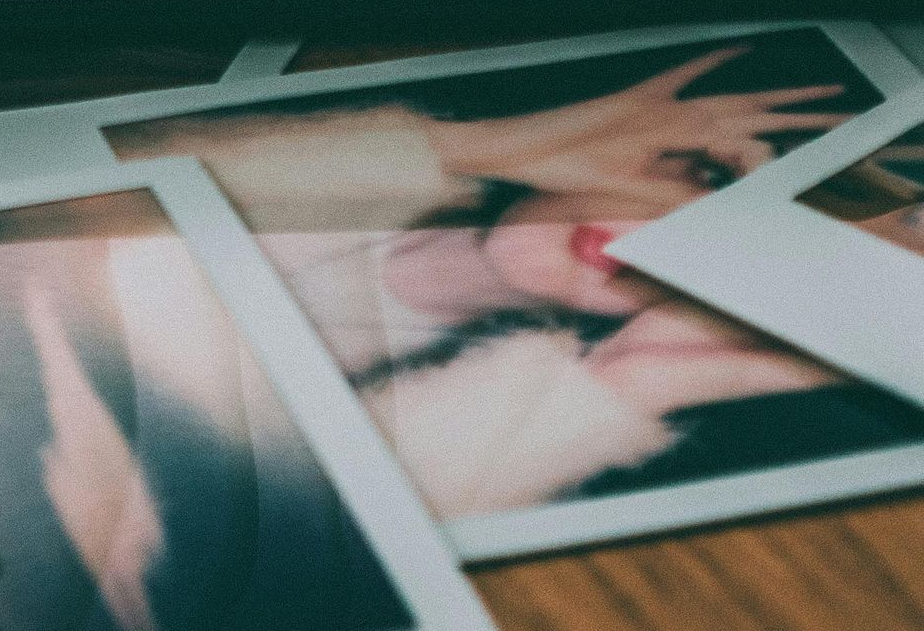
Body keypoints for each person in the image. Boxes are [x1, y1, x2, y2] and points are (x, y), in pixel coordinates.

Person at [113, 44, 858, 520]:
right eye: (707, 174)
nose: (672, 232)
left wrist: (629, 385)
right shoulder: (310, 165)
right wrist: (476, 147)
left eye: (743, 240)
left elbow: (301, 542)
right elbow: (88, 200)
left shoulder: (493, 411)